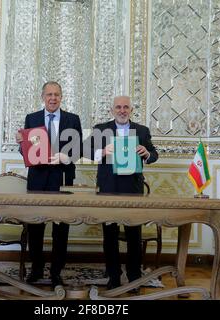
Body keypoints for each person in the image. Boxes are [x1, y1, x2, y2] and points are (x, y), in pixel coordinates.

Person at [86, 95, 158, 290]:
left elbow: (154, 155)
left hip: (133, 189)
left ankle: (134, 278)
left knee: (134, 235)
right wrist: (102, 152)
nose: (122, 110)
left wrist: (147, 153)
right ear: (112, 110)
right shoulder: (101, 129)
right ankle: (114, 277)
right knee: (109, 236)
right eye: (118, 107)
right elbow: (85, 150)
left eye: (126, 107)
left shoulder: (142, 131)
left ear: (131, 110)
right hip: (108, 188)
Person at [16, 81, 82, 288]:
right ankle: (36, 269)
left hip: (62, 177)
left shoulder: (73, 119)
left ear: (61, 97)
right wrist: (21, 144)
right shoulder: (32, 118)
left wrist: (66, 157)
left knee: (61, 228)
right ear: (42, 97)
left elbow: (79, 149)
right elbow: (26, 151)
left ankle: (56, 272)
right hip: (38, 178)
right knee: (35, 226)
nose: (53, 98)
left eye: (56, 94)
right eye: (49, 95)